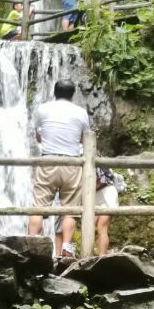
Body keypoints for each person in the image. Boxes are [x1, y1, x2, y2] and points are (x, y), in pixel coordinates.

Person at [28, 80, 90, 258]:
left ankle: (31, 245)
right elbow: (85, 139)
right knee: (70, 209)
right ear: (73, 94)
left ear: (54, 92)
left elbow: (38, 135)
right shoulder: (81, 113)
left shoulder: (43, 109)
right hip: (72, 163)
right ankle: (66, 248)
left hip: (48, 160)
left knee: (39, 207)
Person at [95, 166, 120, 256]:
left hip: (106, 193)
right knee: (92, 225)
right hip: (96, 195)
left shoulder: (94, 159)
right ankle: (97, 254)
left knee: (102, 227)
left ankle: (102, 256)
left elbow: (98, 180)